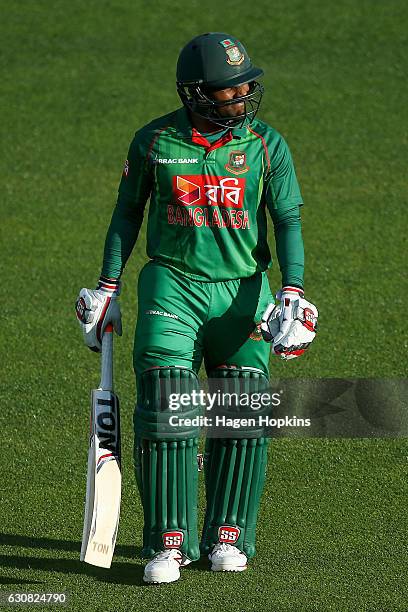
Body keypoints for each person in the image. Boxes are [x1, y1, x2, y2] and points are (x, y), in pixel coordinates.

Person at [75, 32, 318, 584]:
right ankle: (168, 544)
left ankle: (228, 535)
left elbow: (287, 222)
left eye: (244, 87)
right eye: (229, 91)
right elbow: (126, 215)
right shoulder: (155, 141)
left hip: (243, 291)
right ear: (196, 94)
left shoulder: (265, 144)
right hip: (172, 286)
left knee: (242, 413)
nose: (243, 97)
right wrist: (106, 288)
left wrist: (293, 292)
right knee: (166, 408)